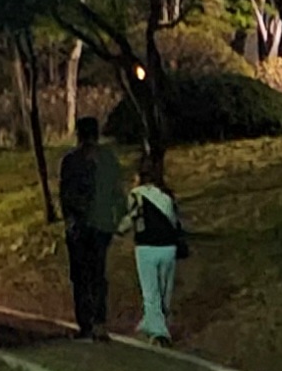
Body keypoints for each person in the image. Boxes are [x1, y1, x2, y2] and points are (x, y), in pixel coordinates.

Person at [55, 108, 128, 337]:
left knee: (80, 275)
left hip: (80, 225)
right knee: (97, 272)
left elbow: (65, 194)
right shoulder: (108, 159)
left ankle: (85, 322)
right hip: (102, 223)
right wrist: (118, 217)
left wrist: (70, 219)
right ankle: (99, 320)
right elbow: (117, 191)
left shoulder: (71, 161)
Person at [129, 156, 186, 343]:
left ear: (139, 176)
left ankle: (159, 332)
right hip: (169, 248)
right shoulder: (167, 195)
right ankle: (151, 322)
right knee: (164, 291)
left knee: (150, 292)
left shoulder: (136, 194)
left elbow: (130, 219)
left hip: (146, 248)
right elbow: (176, 222)